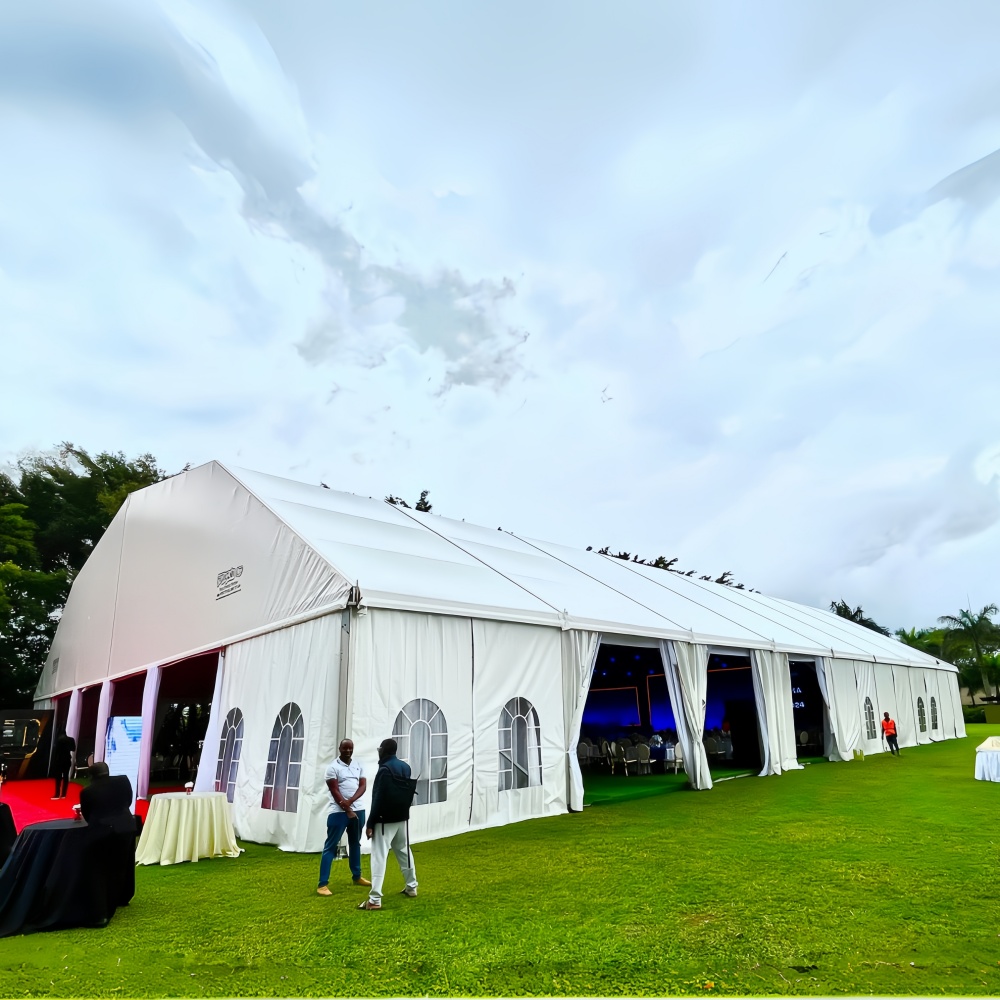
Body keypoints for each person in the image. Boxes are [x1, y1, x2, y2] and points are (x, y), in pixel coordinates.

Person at [358, 738, 418, 911]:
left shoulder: (384, 770)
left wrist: (370, 823)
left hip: (384, 820)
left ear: (384, 750)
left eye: (380, 749)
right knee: (404, 852)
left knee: (379, 856)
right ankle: (411, 887)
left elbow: (378, 798)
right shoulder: (405, 767)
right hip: (402, 818)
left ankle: (374, 899)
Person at [79, 761, 138, 909]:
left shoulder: (87, 792)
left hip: (103, 831)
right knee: (124, 863)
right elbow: (128, 801)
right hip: (125, 826)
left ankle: (107, 899)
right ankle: (123, 896)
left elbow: (87, 814)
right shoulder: (123, 781)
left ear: (91, 776)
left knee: (104, 865)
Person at [317, 738, 370, 895]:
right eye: (345, 748)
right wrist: (346, 808)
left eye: (350, 748)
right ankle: (322, 884)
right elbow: (334, 790)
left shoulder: (358, 765)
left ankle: (357, 876)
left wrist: (351, 802)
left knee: (355, 844)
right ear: (339, 749)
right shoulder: (332, 767)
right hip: (338, 812)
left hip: (358, 810)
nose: (348, 751)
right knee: (330, 846)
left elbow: (363, 786)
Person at [50, 728, 76, 800]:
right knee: (65, 776)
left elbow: (56, 752)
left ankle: (57, 794)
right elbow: (73, 749)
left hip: (59, 760)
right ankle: (64, 794)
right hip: (67, 760)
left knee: (58, 777)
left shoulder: (58, 740)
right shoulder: (71, 740)